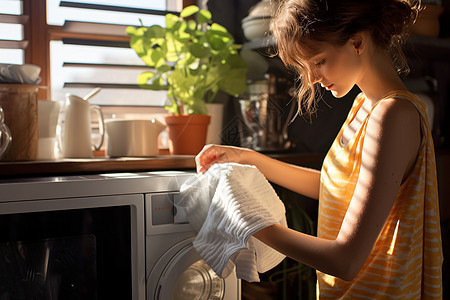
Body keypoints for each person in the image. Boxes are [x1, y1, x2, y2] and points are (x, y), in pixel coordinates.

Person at [195, 0, 443, 298]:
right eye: (305, 67)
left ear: (357, 42)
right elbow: (336, 188)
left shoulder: (393, 116)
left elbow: (345, 260)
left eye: (319, 61)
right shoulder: (363, 106)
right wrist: (247, 157)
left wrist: (247, 223)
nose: (311, 78)